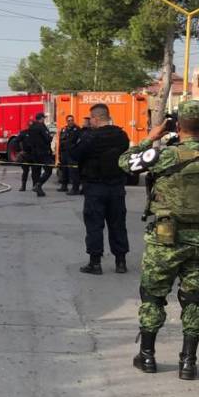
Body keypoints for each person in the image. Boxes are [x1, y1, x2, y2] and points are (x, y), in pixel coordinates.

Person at [119, 100, 199, 380]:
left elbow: (126, 162)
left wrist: (152, 137)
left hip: (166, 237)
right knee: (194, 298)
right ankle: (188, 362)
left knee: (153, 294)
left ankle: (147, 356)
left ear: (177, 125)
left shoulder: (164, 156)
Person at [68, 103, 130, 275]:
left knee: (94, 224)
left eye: (91, 119)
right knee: (118, 223)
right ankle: (121, 262)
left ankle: (95, 263)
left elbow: (74, 154)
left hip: (95, 187)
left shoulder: (89, 137)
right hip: (116, 186)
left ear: (95, 118)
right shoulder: (121, 135)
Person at [24, 112, 55, 196]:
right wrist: (51, 137)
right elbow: (47, 138)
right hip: (43, 152)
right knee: (48, 170)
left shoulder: (31, 127)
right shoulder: (41, 126)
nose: (44, 120)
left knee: (36, 171)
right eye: (44, 118)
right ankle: (38, 185)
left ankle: (37, 188)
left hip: (34, 153)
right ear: (41, 119)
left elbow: (28, 140)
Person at [56, 115, 82, 193]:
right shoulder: (64, 129)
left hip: (72, 153)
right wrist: (59, 155)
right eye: (69, 120)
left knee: (73, 172)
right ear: (66, 121)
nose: (70, 122)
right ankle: (64, 186)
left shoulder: (77, 129)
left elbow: (77, 141)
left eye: (72, 120)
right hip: (64, 153)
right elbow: (60, 142)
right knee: (64, 170)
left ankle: (75, 188)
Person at [16, 127, 33, 192]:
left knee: (35, 172)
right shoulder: (23, 133)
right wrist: (19, 151)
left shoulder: (36, 132)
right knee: (25, 171)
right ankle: (23, 186)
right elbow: (16, 141)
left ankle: (35, 186)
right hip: (25, 154)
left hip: (34, 154)